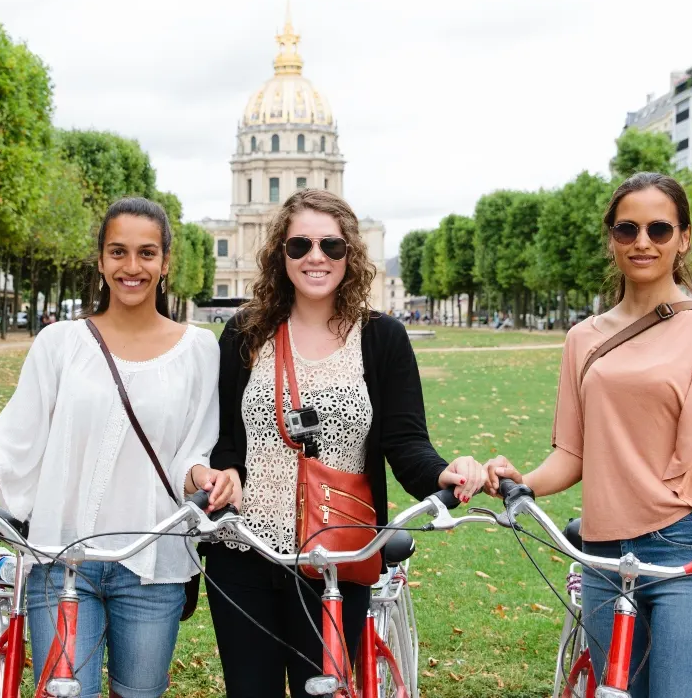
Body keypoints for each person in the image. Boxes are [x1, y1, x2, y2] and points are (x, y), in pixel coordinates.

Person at [485, 172, 692, 698]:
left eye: (659, 229)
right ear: (612, 238)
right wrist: (518, 480)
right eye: (627, 230)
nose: (643, 242)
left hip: (691, 549)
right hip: (601, 556)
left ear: (683, 238)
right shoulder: (583, 339)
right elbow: (571, 454)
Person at [0, 197, 236, 698]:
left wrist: (203, 478)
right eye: (118, 252)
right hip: (61, 558)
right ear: (100, 260)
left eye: (146, 253)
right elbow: (17, 440)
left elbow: (193, 449)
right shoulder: (61, 343)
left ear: (165, 262)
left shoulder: (198, 350)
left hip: (152, 566)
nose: (132, 267)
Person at [204, 189, 485, 697]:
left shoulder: (382, 338)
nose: (316, 257)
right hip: (242, 552)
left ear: (350, 253)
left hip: (335, 556)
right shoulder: (245, 333)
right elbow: (227, 442)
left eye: (331, 246)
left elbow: (405, 443)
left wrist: (443, 472)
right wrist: (224, 474)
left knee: (324, 690)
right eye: (300, 246)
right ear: (279, 254)